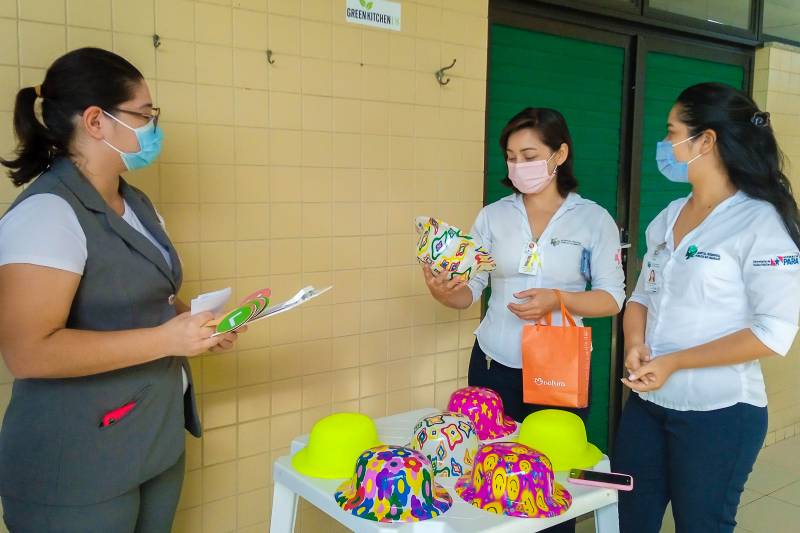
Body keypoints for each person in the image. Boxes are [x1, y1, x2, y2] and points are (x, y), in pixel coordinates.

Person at [0, 48, 242, 533]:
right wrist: (168, 340)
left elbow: (147, 297)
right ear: (96, 121)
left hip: (152, 439)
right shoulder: (48, 213)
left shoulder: (136, 204)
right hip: (76, 464)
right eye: (145, 115)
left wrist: (197, 325)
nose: (154, 128)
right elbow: (28, 353)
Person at [613, 82, 800, 533]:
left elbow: (773, 332)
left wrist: (676, 361)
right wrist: (635, 342)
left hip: (720, 413)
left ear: (706, 141)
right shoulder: (669, 215)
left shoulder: (760, 222)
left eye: (672, 131)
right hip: (648, 405)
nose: (665, 143)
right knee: (629, 519)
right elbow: (641, 296)